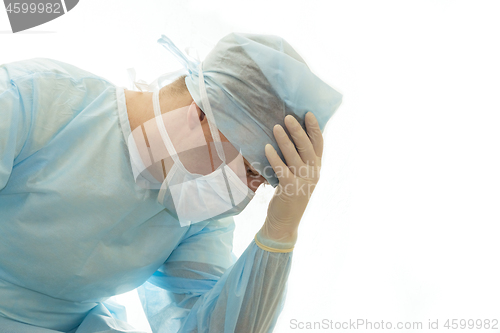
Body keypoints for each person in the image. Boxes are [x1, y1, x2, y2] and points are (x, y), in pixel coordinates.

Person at [0, 33, 343, 332]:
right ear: (203, 114)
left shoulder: (196, 217)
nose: (244, 197)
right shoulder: (35, 98)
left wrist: (281, 229)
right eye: (252, 171)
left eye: (263, 184)